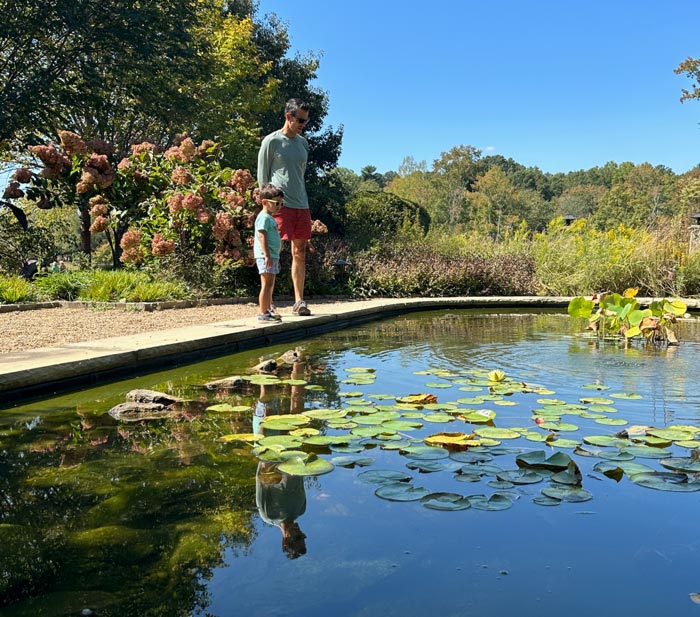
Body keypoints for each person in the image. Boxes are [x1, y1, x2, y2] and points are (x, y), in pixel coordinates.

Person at [257, 98, 312, 316]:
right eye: (299, 120)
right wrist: (266, 207)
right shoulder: (271, 142)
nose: (302, 124)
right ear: (288, 116)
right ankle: (267, 304)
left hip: (301, 204)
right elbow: (263, 179)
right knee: (272, 250)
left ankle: (299, 302)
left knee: (300, 252)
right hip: (278, 205)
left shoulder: (303, 144)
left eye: (305, 121)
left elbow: (299, 175)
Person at [254, 184, 285, 322]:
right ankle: (263, 312)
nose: (279, 206)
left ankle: (267, 310)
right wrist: (266, 255)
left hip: (272, 256)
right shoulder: (264, 217)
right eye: (276, 203)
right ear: (265, 202)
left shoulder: (271, 218)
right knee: (266, 285)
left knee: (270, 284)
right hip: (265, 256)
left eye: (281, 203)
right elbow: (262, 236)